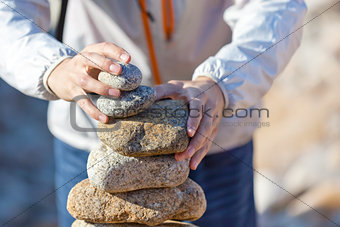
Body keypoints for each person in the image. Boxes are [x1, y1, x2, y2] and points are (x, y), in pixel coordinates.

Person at [0, 0, 307, 226]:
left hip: (214, 136)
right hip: (92, 138)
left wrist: (223, 82)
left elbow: (278, 6)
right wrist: (52, 66)